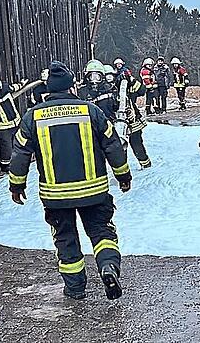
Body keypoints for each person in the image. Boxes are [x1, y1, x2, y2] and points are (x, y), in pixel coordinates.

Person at [8, 61, 131, 301]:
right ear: (72, 86)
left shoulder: (32, 117)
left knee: (65, 239)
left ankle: (75, 288)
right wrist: (123, 175)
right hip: (94, 191)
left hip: (56, 196)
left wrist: (17, 185)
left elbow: (20, 154)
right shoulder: (91, 111)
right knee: (102, 232)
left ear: (48, 89)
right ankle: (108, 267)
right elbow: (113, 144)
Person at [113, 63, 153, 169]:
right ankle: (122, 170)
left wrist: (130, 79)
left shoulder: (126, 83)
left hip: (132, 119)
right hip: (116, 121)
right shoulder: (107, 87)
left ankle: (146, 165)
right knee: (120, 147)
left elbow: (141, 91)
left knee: (137, 144)